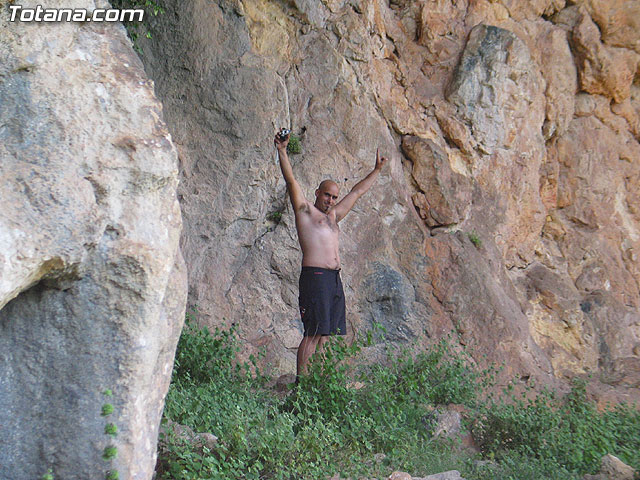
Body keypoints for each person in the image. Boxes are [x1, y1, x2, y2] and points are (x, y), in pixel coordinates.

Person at [273, 129, 388, 378]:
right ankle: (302, 386)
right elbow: (291, 181)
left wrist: (376, 171)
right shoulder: (305, 212)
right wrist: (282, 151)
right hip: (315, 277)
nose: (331, 200)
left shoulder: (334, 217)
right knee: (313, 333)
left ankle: (318, 383)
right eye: (327, 195)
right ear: (317, 193)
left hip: (333, 279)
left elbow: (356, 192)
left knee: (326, 335)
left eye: (334, 197)